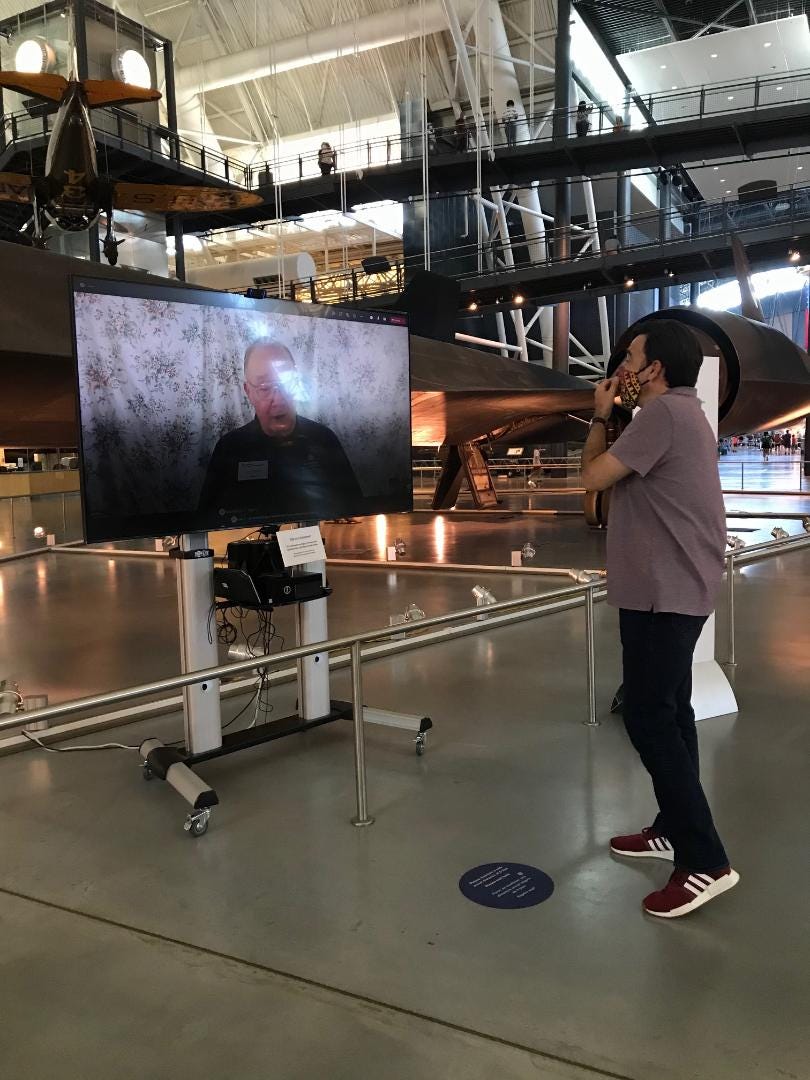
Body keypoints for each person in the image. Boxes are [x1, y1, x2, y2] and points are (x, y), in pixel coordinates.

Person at [581, 320, 739, 919]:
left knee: (648, 718)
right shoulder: (679, 413)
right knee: (671, 711)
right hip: (670, 587)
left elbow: (591, 479)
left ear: (659, 368)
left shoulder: (664, 415)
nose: (623, 363)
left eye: (633, 356)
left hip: (664, 594)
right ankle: (673, 827)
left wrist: (600, 416)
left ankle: (704, 860)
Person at [198, 339, 363, 521]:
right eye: (265, 388)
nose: (278, 399)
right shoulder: (229, 448)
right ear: (248, 392)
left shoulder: (324, 439)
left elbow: (356, 509)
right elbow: (207, 520)